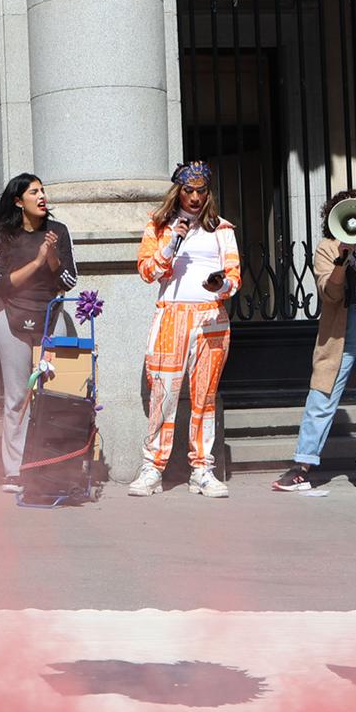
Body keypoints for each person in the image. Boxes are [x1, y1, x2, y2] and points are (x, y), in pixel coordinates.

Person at [271, 190, 356, 495]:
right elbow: (329, 293)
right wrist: (342, 259)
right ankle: (302, 467)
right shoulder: (328, 248)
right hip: (342, 329)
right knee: (322, 395)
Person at [132, 161, 240, 498]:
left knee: (204, 397)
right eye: (188, 190)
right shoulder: (160, 226)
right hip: (171, 317)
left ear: (209, 193)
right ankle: (153, 466)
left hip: (210, 318)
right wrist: (170, 245)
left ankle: (202, 469)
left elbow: (234, 276)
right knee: (163, 393)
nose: (194, 197)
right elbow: (147, 271)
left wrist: (219, 286)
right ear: (177, 190)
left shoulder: (221, 228)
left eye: (201, 191)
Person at [0, 173, 76, 493]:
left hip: (52, 319)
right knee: (17, 397)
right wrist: (38, 261)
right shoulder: (2, 235)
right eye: (34, 192)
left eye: (43, 191)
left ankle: (52, 464)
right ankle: (14, 469)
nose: (42, 197)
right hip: (11, 321)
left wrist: (51, 259)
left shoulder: (58, 231)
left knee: (56, 395)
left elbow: (69, 281)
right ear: (17, 200)